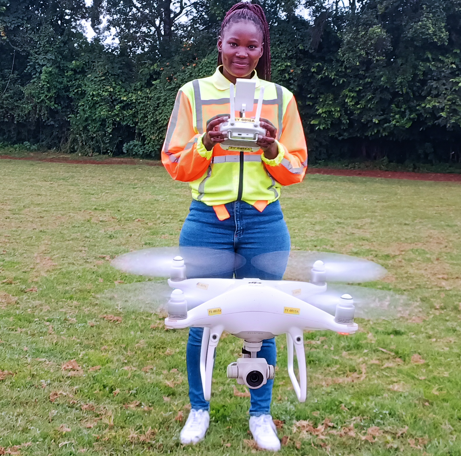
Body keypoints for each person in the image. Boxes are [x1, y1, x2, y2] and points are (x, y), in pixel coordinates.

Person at [161, 2, 307, 451]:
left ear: (262, 50)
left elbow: (296, 168)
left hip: (265, 222)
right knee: (201, 322)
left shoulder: (281, 98)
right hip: (208, 221)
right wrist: (206, 141)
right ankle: (198, 409)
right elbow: (174, 164)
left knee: (263, 323)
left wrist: (269, 149)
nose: (241, 54)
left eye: (251, 46)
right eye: (233, 44)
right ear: (219, 45)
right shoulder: (193, 93)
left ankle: (261, 415)